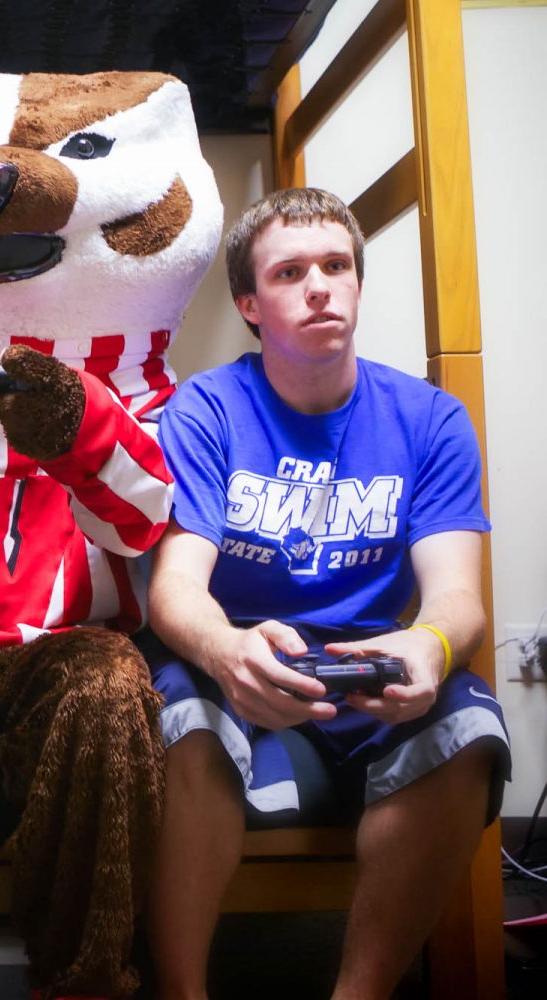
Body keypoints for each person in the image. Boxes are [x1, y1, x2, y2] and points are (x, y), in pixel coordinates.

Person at [146, 187, 511, 999]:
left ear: (356, 281)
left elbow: (458, 597)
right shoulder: (205, 410)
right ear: (249, 303)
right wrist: (225, 649)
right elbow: (174, 587)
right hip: (247, 664)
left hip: (368, 663)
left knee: (474, 723)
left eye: (336, 266)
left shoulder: (431, 419)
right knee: (180, 714)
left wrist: (430, 643)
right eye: (290, 272)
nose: (319, 285)